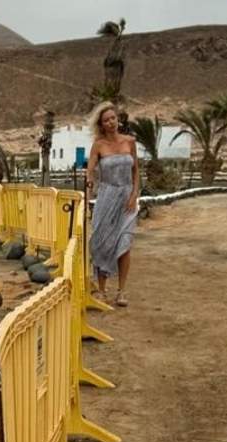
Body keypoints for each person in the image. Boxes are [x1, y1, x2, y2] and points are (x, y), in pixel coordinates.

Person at [85, 102, 140, 307]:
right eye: (106, 120)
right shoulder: (98, 145)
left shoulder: (130, 142)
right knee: (102, 243)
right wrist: (87, 192)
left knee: (124, 243)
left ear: (118, 119)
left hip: (127, 197)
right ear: (101, 124)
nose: (111, 122)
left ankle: (121, 291)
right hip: (106, 196)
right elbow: (90, 172)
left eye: (113, 118)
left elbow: (136, 172)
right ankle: (101, 290)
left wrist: (134, 194)